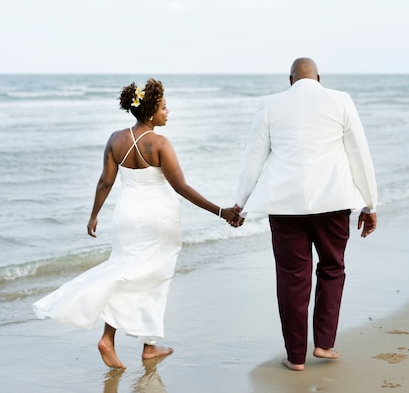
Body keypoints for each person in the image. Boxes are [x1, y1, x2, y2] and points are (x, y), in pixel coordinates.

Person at [33, 78, 240, 369]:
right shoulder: (160, 143)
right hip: (158, 218)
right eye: (164, 107)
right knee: (152, 277)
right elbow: (180, 186)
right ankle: (119, 340)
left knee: (128, 272)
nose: (168, 112)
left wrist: (94, 215)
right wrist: (221, 212)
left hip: (126, 216)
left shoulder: (115, 139)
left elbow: (105, 181)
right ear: (150, 112)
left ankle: (148, 344)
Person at [233, 58, 378, 371]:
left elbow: (253, 158)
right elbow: (359, 154)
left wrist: (240, 204)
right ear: (319, 78)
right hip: (334, 203)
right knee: (332, 268)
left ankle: (296, 357)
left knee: (292, 279)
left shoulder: (270, 105)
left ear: (290, 80)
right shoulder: (341, 101)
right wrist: (370, 204)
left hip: (286, 207)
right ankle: (324, 344)